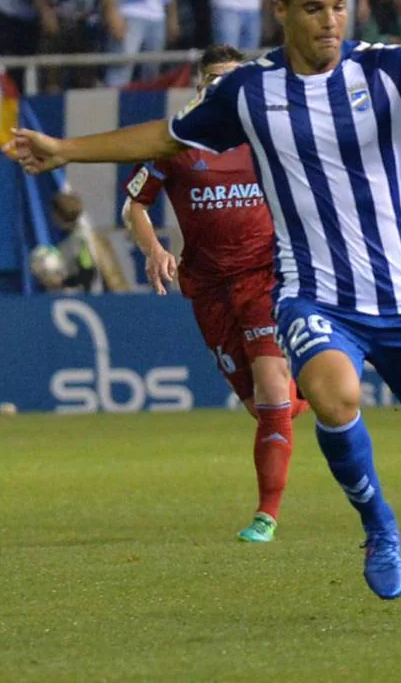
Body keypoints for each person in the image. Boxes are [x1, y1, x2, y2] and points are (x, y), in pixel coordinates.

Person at [7, 0, 401, 630]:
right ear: (280, 10)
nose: (330, 22)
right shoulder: (248, 92)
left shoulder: (387, 68)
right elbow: (167, 139)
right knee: (329, 393)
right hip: (312, 293)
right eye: (314, 9)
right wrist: (65, 149)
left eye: (339, 6)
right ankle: (378, 521)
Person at [121, 44, 307, 543]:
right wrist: (155, 249)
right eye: (213, 81)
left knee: (270, 390)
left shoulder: (270, 139)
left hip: (264, 276)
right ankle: (318, 385)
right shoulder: (177, 143)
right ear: (201, 88)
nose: (222, 89)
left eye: (231, 79)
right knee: (267, 407)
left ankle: (266, 515)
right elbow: (134, 206)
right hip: (206, 287)